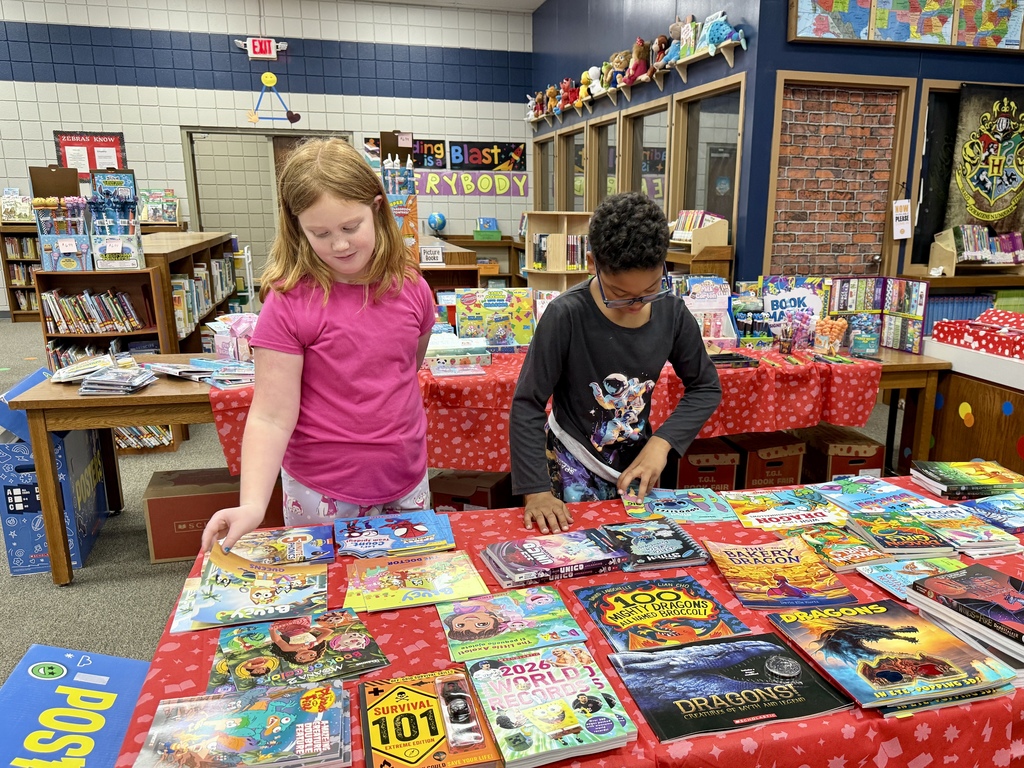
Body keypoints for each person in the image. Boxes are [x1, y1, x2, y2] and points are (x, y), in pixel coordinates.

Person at [200, 138, 435, 552]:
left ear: (377, 209)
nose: (339, 245)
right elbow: (270, 416)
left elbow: (406, 369)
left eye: (351, 227)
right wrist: (252, 504)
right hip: (322, 491)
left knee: (408, 582)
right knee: (329, 590)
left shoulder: (412, 287)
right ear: (298, 228)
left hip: (406, 478)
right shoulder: (289, 302)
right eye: (320, 233)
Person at [510, 192, 722, 534]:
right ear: (592, 263)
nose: (637, 304)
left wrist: (661, 444)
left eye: (650, 289)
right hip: (570, 463)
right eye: (620, 294)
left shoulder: (672, 313)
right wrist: (536, 492)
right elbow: (527, 403)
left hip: (636, 464)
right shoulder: (566, 315)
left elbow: (705, 387)